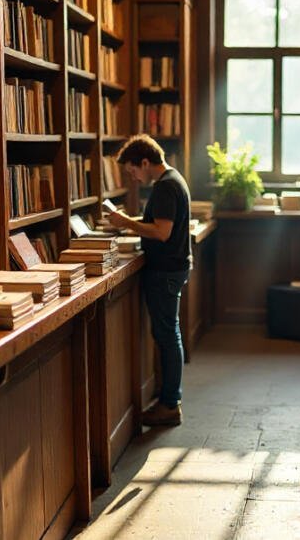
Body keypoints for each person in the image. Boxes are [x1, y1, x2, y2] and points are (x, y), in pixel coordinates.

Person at [104, 135, 191, 427]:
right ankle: (169, 399)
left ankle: (169, 404)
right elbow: (160, 223)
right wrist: (135, 220)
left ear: (144, 162)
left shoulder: (165, 186)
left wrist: (124, 222)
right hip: (171, 269)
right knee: (169, 335)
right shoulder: (172, 179)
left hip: (165, 271)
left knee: (167, 336)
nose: (133, 178)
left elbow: (162, 232)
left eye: (133, 171)